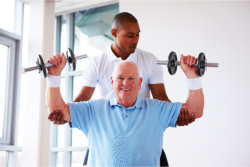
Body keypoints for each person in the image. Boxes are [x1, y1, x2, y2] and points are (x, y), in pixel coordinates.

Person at [49, 12, 195, 166]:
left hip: (141, 131)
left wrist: (179, 114)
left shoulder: (149, 61)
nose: (135, 40)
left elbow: (161, 99)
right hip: (106, 134)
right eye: (130, 36)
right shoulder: (97, 62)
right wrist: (64, 114)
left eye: (138, 35)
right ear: (114, 33)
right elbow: (81, 100)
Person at [46, 54, 204, 167]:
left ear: (140, 82)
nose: (125, 83)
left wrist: (192, 76)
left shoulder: (157, 109)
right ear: (112, 81)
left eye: (131, 78)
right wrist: (54, 76)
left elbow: (194, 111)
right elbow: (57, 109)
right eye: (120, 78)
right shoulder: (93, 110)